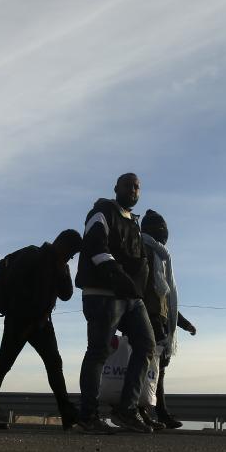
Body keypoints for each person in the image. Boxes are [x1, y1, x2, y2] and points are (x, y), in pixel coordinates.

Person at [0, 229, 83, 431]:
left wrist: (63, 270)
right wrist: (26, 321)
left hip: (41, 323)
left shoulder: (60, 265)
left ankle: (67, 414)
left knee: (54, 363)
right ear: (62, 244)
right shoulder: (33, 256)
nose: (71, 257)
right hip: (20, 321)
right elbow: (15, 287)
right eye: (71, 252)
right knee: (4, 364)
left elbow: (66, 295)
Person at [76, 174, 156, 434]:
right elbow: (95, 247)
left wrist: (139, 290)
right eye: (128, 185)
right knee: (98, 351)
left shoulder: (134, 222)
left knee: (146, 344)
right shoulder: (102, 212)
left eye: (137, 187)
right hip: (103, 294)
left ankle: (127, 410)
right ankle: (88, 415)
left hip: (131, 298)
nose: (133, 190)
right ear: (116, 188)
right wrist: (117, 275)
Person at [140, 210, 196, 430]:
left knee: (157, 370)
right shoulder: (144, 251)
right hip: (145, 318)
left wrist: (183, 323)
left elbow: (167, 302)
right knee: (147, 369)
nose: (164, 235)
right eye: (161, 230)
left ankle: (157, 412)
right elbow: (143, 291)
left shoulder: (161, 260)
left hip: (159, 321)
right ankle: (148, 412)